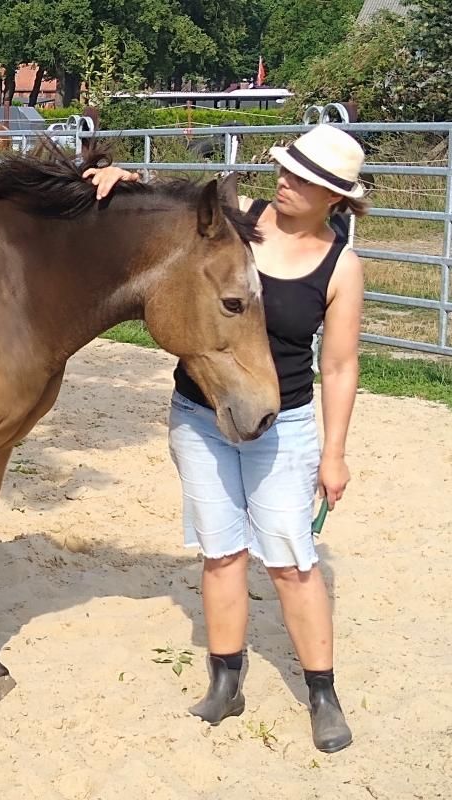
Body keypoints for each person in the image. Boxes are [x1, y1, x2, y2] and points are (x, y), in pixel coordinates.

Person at [83, 124, 367, 754]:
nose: (285, 182)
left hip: (283, 425)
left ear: (335, 198)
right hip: (201, 414)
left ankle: (322, 693)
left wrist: (334, 453)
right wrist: (123, 181)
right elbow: (165, 213)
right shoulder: (238, 220)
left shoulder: (340, 265)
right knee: (221, 553)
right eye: (286, 169)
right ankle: (225, 679)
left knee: (291, 561)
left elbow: (340, 365)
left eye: (304, 179)